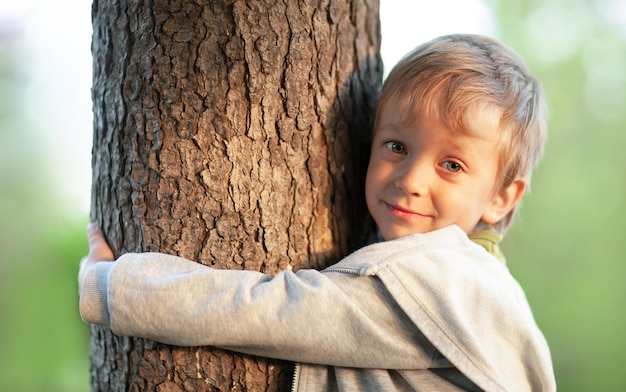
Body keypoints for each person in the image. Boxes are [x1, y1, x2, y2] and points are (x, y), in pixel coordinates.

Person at [79, 34, 556, 391]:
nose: (411, 180)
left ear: (502, 197)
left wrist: (110, 285)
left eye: (451, 165)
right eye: (396, 146)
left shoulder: (444, 285)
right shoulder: (481, 284)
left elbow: (270, 311)